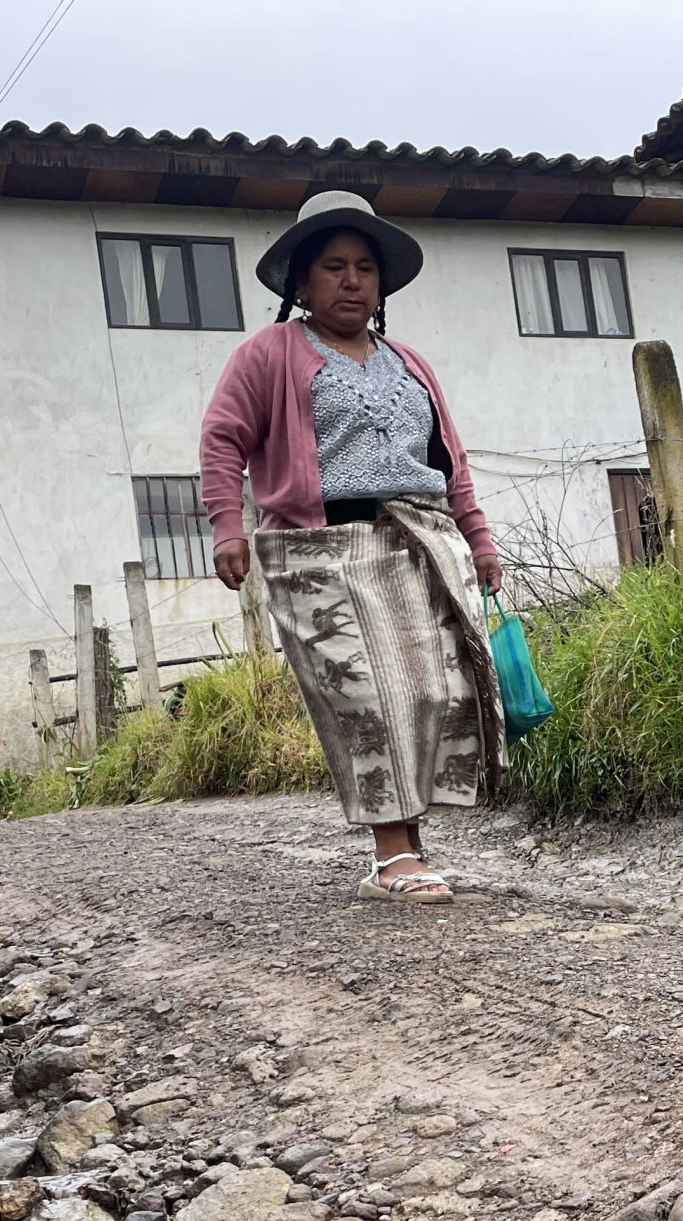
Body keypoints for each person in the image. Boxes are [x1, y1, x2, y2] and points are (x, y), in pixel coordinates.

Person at [198, 190, 506, 905]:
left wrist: (479, 537)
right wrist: (226, 526)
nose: (351, 280)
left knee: (433, 690)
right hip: (319, 549)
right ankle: (391, 854)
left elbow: (449, 460)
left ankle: (410, 839)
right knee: (365, 697)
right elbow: (222, 441)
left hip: (419, 537)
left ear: (381, 284)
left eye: (365, 267)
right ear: (300, 283)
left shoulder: (410, 364)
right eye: (333, 267)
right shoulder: (268, 353)